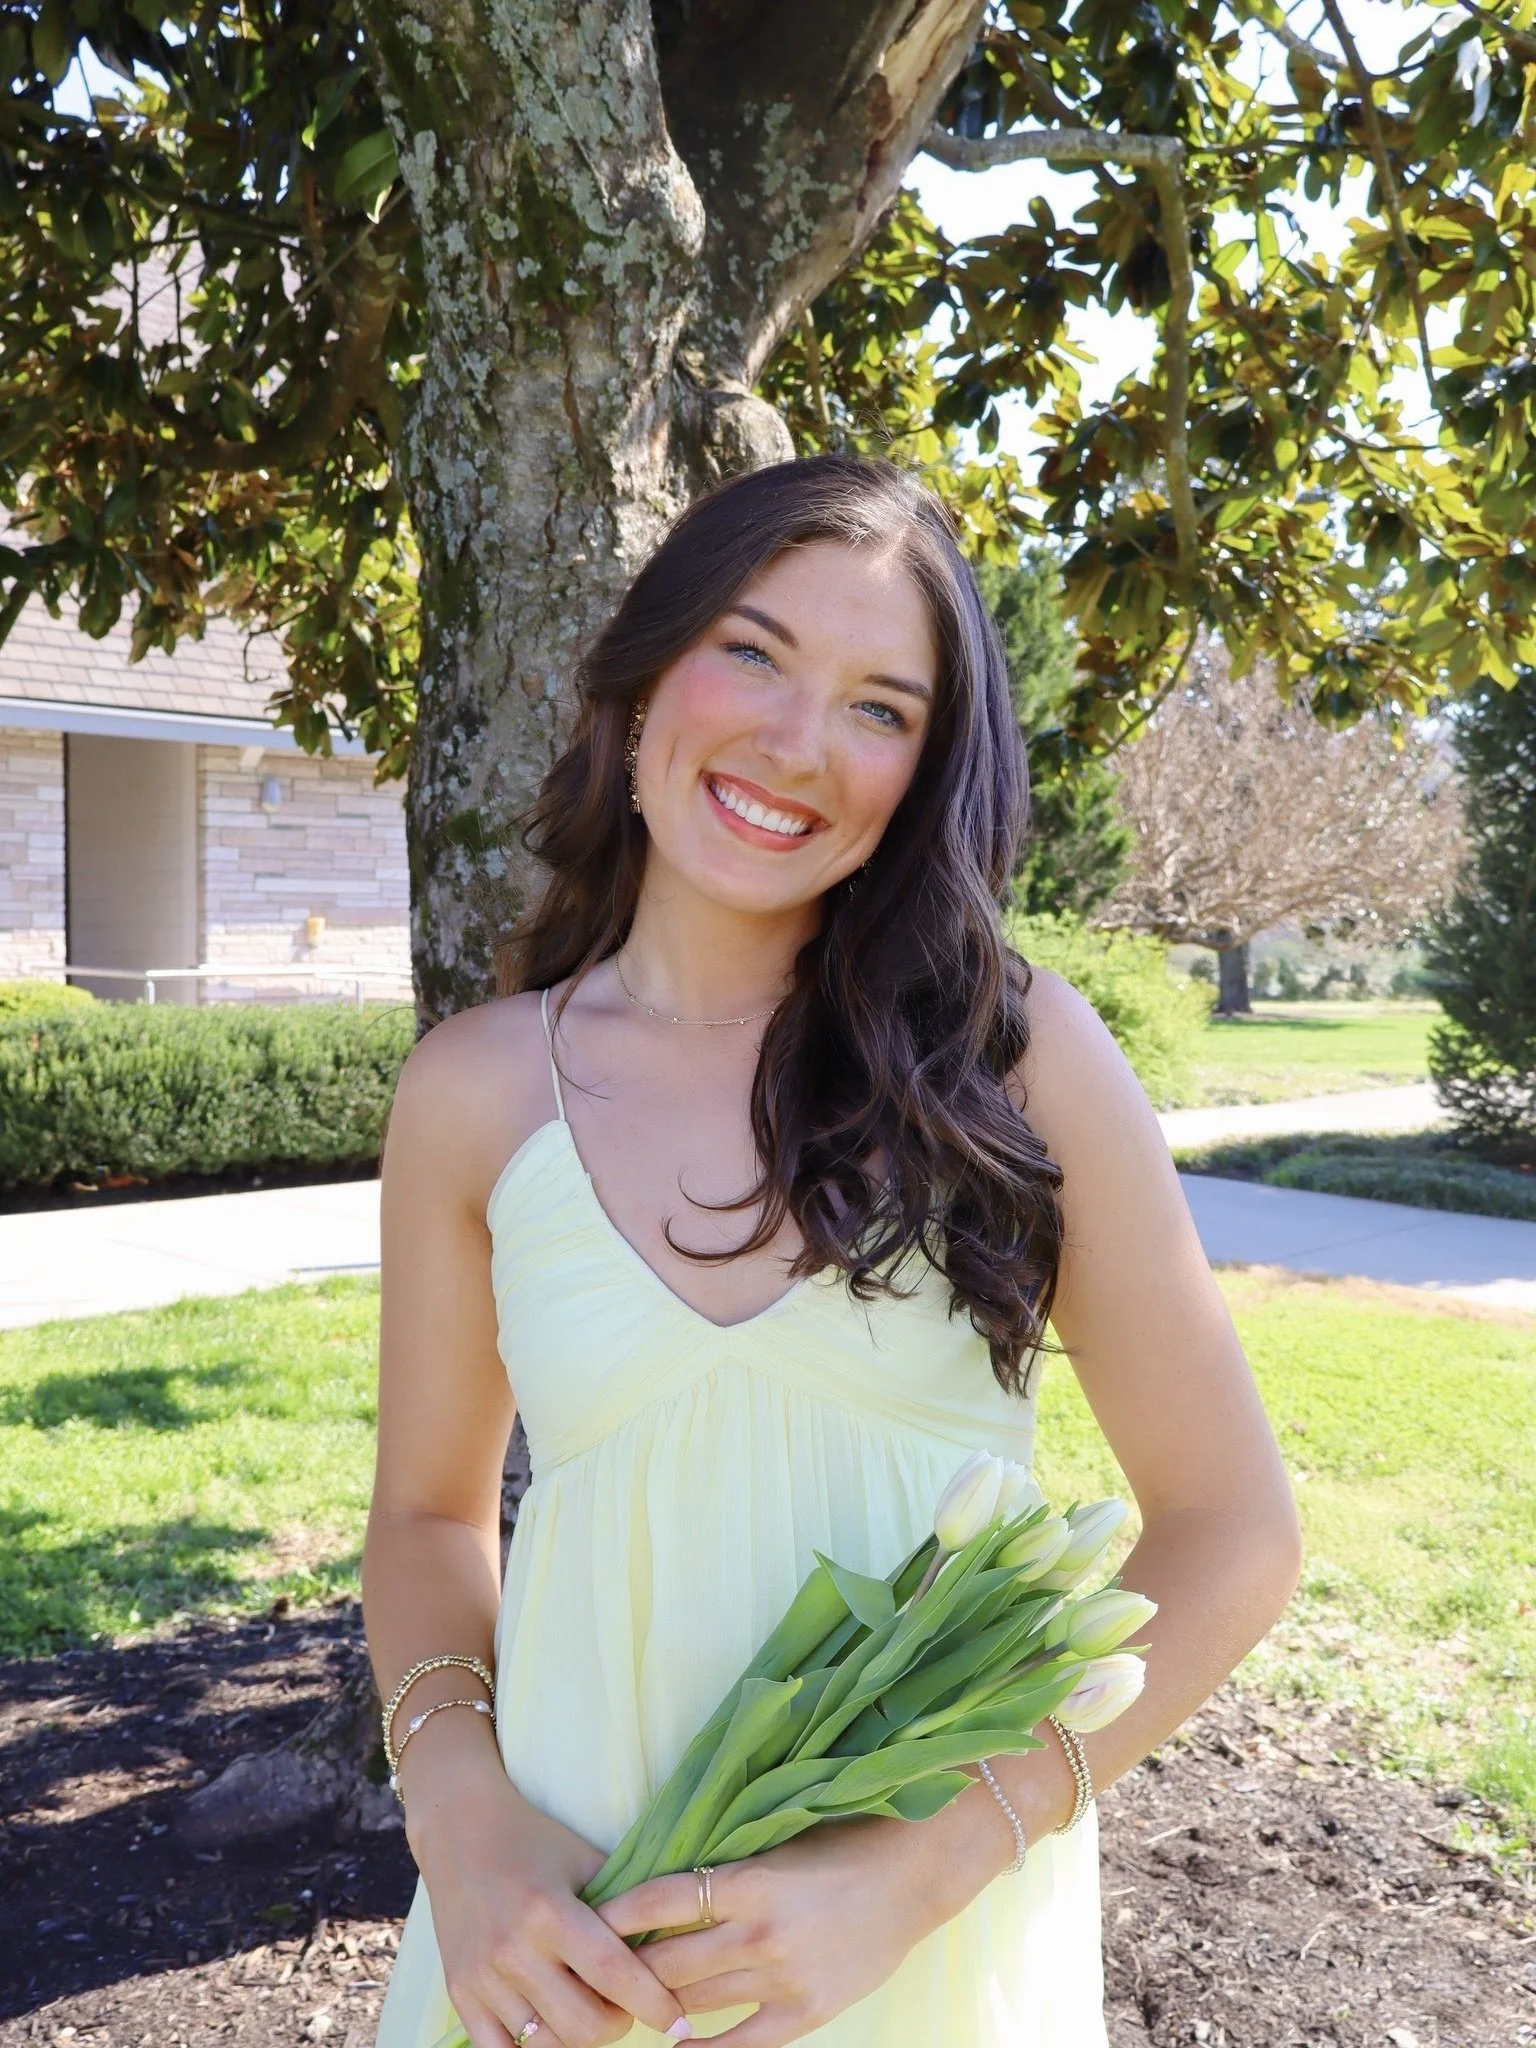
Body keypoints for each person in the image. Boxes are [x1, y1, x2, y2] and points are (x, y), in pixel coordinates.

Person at [364, 454, 1301, 2048]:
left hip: (914, 1955)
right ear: (646, 674)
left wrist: (917, 1873)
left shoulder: (1015, 1063)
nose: (798, 744)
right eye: (753, 651)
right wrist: (459, 1819)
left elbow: (1234, 1531)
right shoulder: (475, 1090)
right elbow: (427, 1517)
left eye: (880, 708)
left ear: (924, 773)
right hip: (561, 1941)